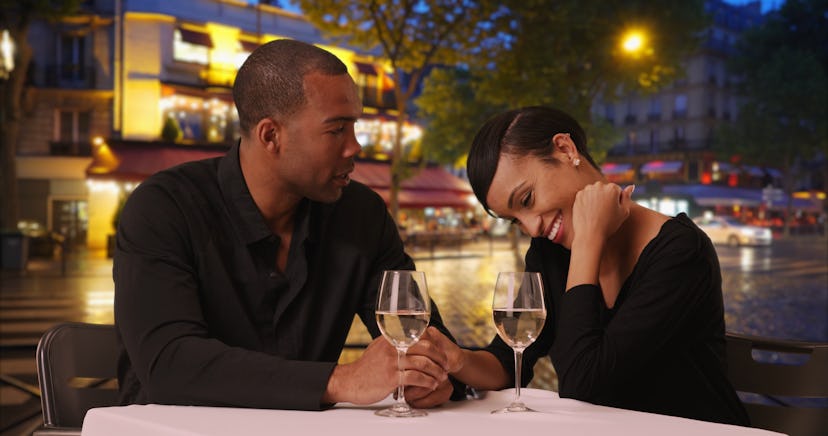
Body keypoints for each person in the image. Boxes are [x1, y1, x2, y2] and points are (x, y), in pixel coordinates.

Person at [113, 39, 462, 410]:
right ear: (271, 135)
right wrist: (343, 380)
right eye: (337, 129)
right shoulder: (164, 208)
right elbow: (169, 366)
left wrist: (428, 377)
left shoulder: (362, 215)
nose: (356, 146)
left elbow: (429, 342)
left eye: (355, 127)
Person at [428, 106, 750, 425]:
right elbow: (509, 359)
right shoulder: (548, 253)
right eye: (515, 221)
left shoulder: (682, 252)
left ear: (566, 150)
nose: (532, 228)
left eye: (526, 200)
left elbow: (583, 386)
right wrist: (455, 359)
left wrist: (587, 241)